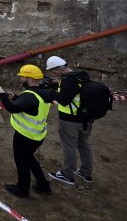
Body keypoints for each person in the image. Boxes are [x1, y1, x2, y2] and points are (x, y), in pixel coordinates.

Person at [0, 64, 53, 198]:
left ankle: (22, 190)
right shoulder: (43, 92)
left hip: (25, 137)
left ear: (31, 79)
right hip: (37, 135)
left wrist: (2, 95)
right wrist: (17, 98)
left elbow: (12, 109)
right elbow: (32, 108)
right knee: (30, 159)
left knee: (22, 162)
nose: (20, 79)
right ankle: (43, 185)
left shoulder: (30, 96)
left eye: (22, 77)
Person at [45, 55, 93, 186]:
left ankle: (67, 174)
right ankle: (86, 172)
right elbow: (74, 92)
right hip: (86, 118)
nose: (53, 73)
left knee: (69, 147)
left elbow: (64, 100)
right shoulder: (82, 75)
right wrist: (57, 85)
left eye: (53, 71)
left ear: (59, 69)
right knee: (84, 145)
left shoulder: (68, 81)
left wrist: (51, 92)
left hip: (70, 120)